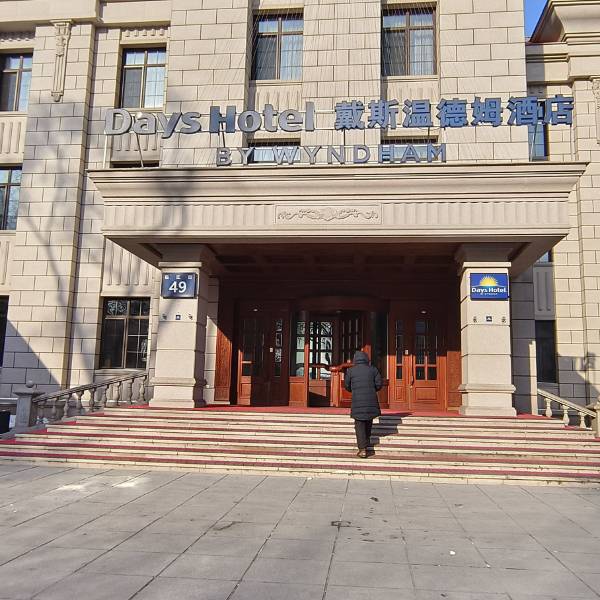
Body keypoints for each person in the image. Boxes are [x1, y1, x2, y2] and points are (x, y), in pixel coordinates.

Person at [344, 350, 383, 458]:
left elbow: (347, 385)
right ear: (366, 359)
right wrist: (372, 389)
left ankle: (362, 449)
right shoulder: (373, 369)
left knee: (359, 424)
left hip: (357, 401)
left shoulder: (351, 371)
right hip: (371, 400)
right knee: (368, 421)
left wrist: (354, 390)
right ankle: (366, 441)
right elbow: (379, 384)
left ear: (355, 359)